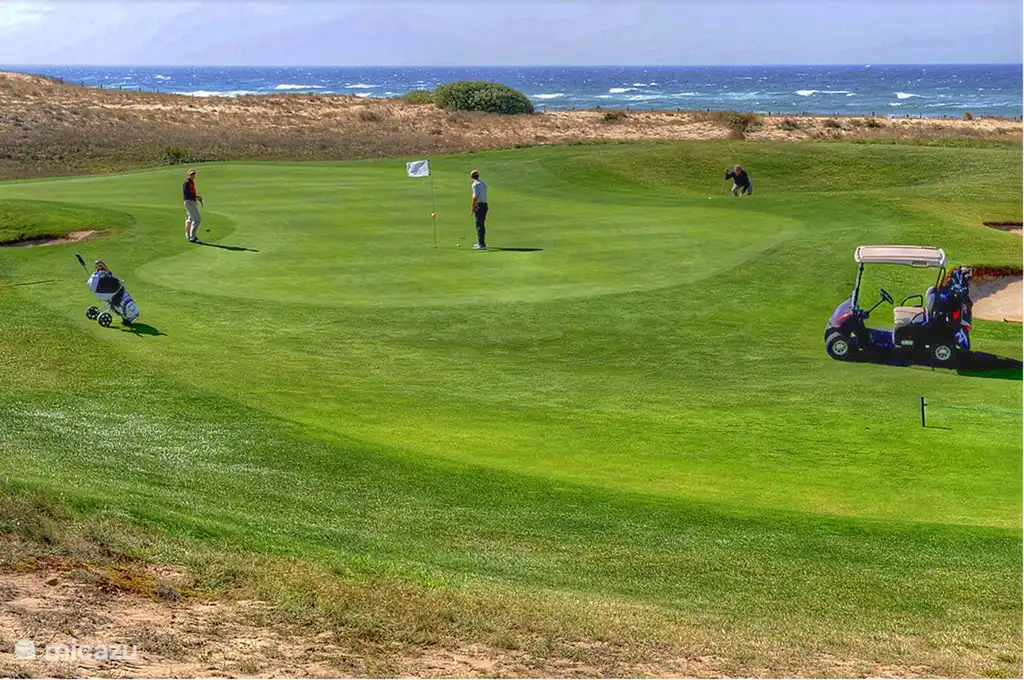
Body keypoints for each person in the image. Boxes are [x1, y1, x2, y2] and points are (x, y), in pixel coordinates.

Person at [183, 168, 204, 243]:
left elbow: (192, 193)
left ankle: (188, 235)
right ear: (188, 175)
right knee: (197, 220)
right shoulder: (186, 183)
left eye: (193, 174)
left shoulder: (191, 182)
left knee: (190, 219)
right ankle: (193, 237)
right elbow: (187, 195)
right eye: (191, 174)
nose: (193, 175)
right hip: (189, 202)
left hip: (191, 202)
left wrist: (196, 197)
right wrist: (196, 197)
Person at [470, 169, 488, 250]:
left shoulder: (475, 185)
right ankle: (481, 242)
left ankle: (481, 245)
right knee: (481, 224)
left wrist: (473, 206)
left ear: (471, 177)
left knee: (479, 225)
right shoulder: (483, 184)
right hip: (484, 205)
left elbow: (475, 197)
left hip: (479, 206)